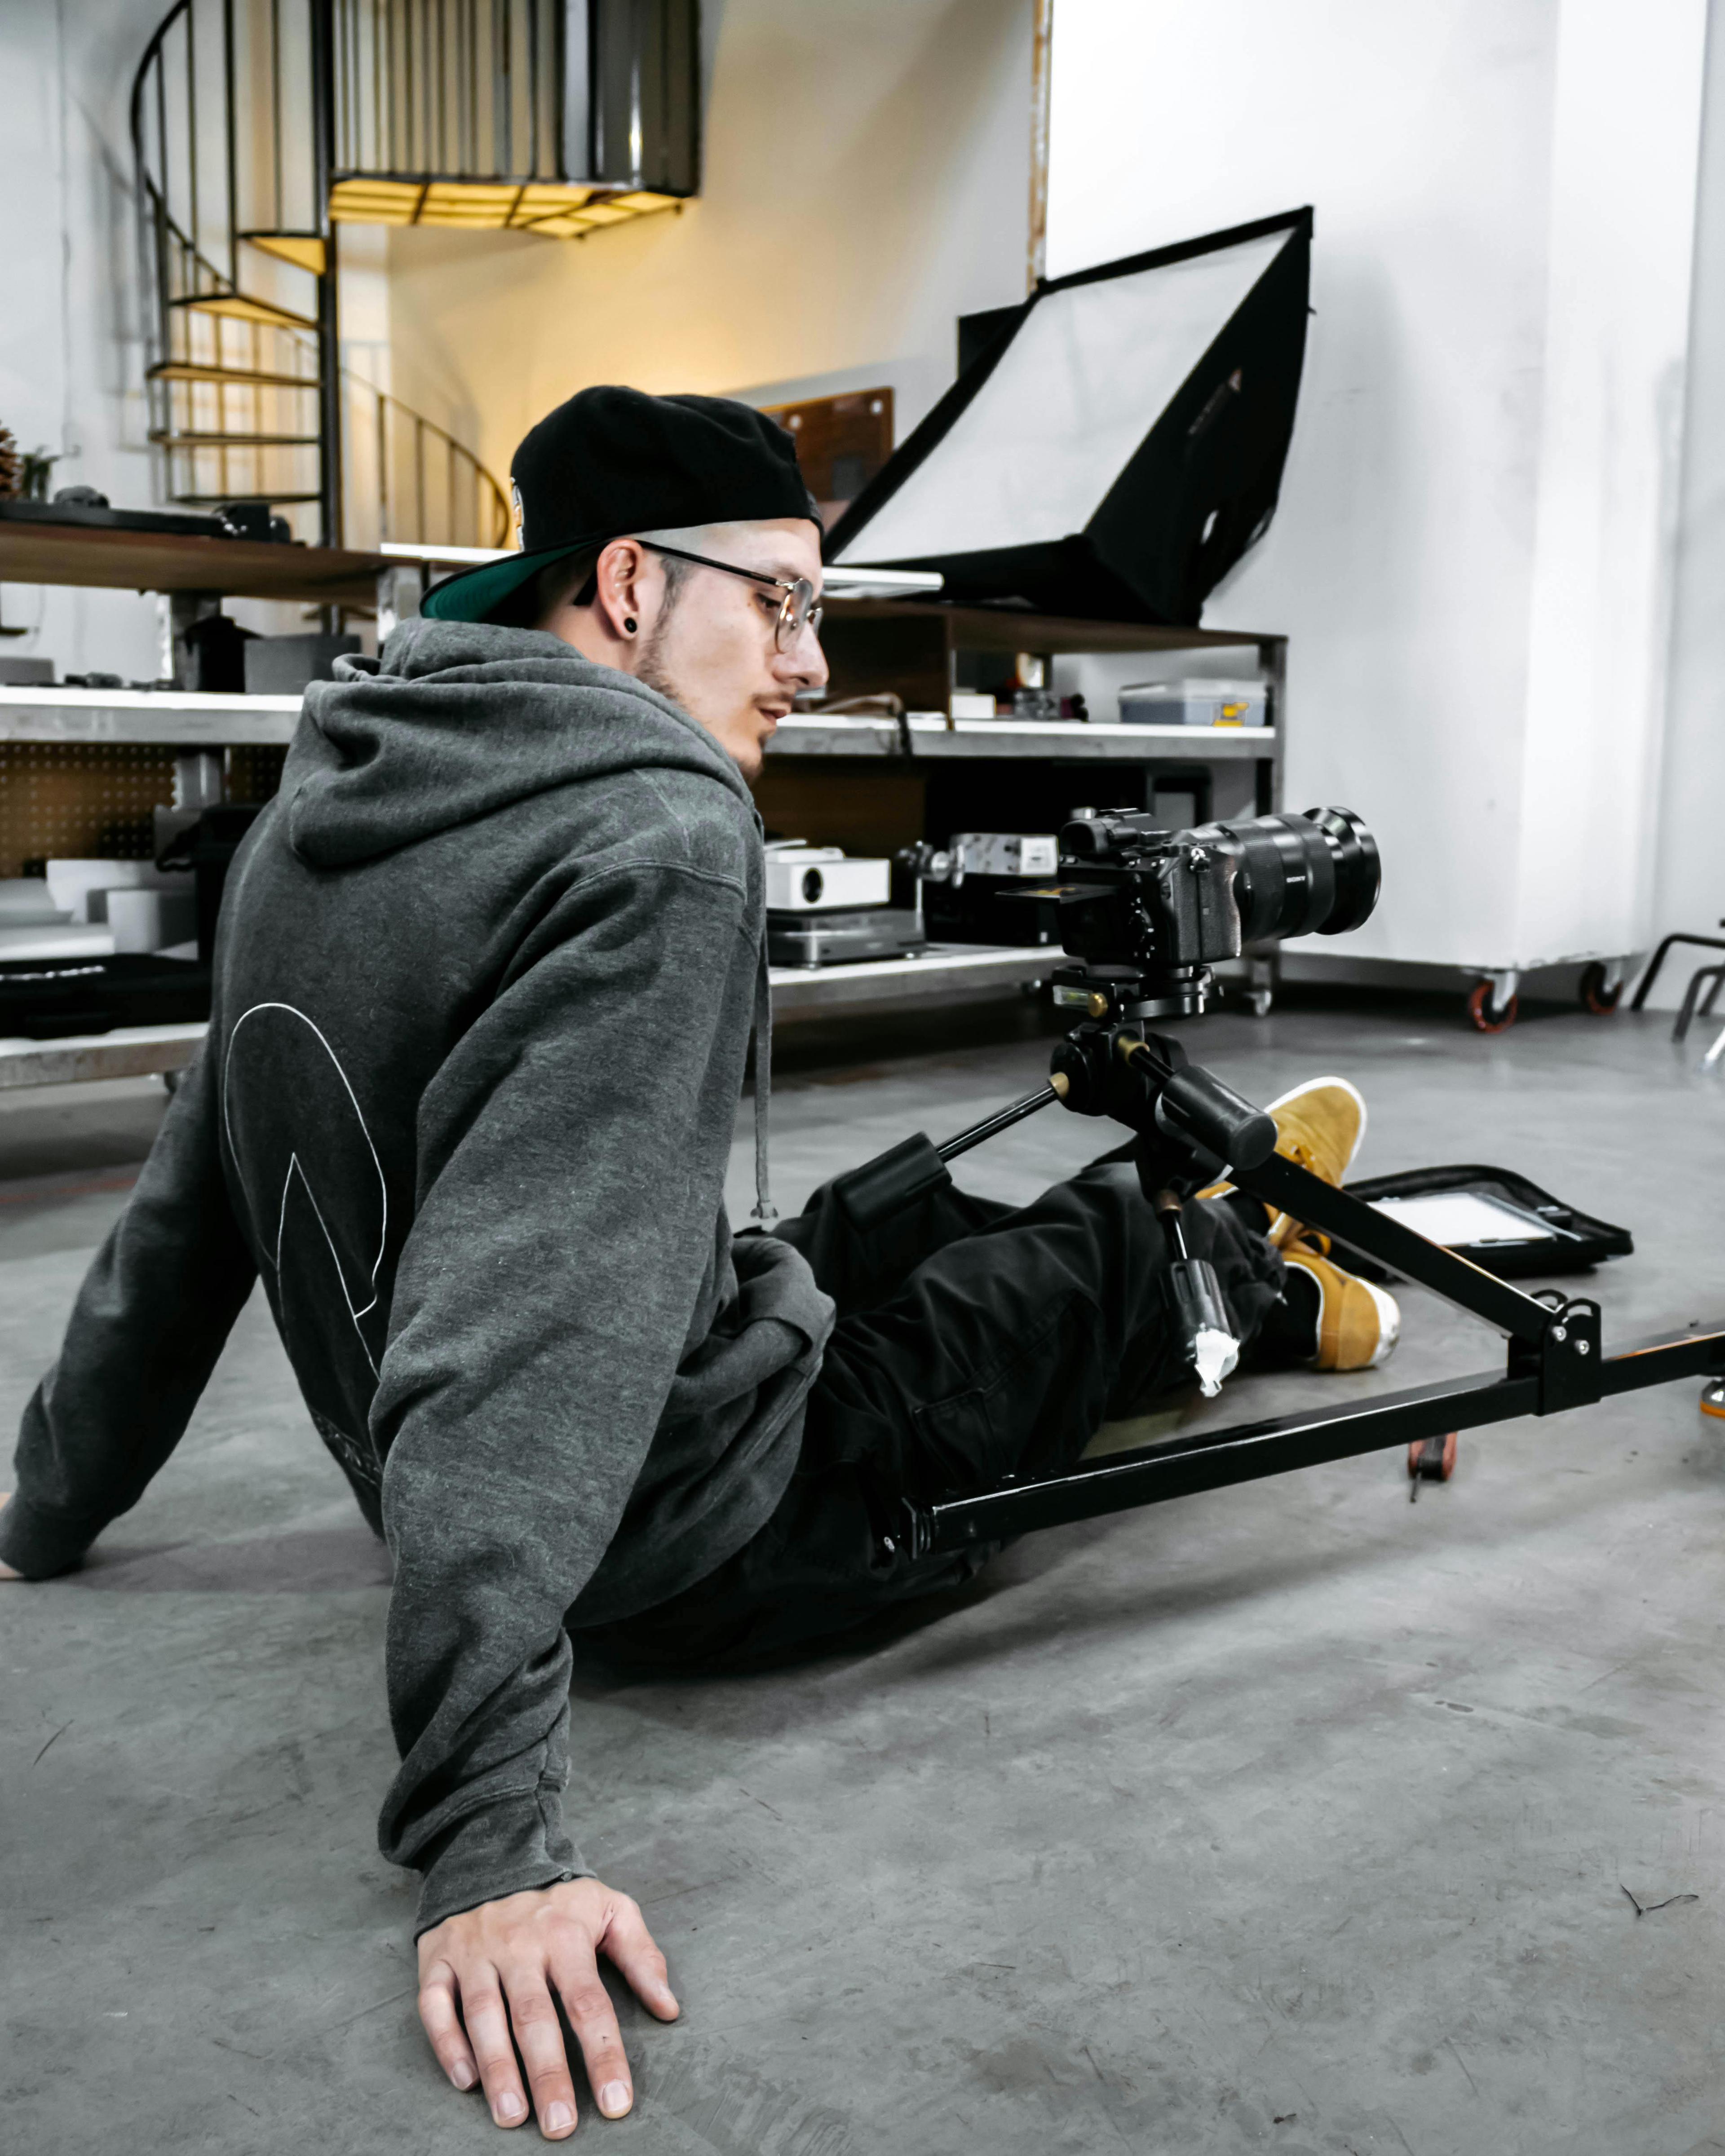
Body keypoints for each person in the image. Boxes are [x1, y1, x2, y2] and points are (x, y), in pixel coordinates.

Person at [0, 387, 1399, 2141]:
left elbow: (188, 1205)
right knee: (1060, 1291)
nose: (810, 666)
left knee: (875, 1233)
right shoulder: (655, 839)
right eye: (784, 605)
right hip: (695, 1538)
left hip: (476, 1465)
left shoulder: (315, 815)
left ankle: (1157, 1238)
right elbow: (520, 1325)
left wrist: (49, 1496)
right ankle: (1252, 1274)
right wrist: (486, 1841)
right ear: (626, 586)